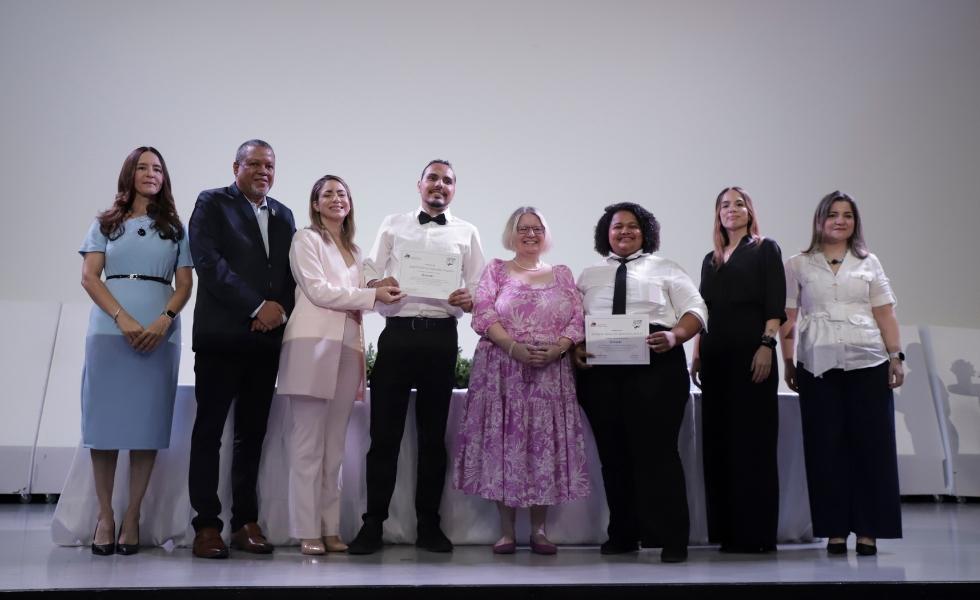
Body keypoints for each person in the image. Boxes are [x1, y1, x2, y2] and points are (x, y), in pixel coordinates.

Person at [348, 159, 486, 554]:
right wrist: (379, 282)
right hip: (397, 336)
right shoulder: (393, 224)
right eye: (433, 178)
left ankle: (429, 524)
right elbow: (369, 270)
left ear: (454, 189)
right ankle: (372, 524)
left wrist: (471, 298)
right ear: (419, 184)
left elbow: (479, 286)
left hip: (441, 338)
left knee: (433, 438)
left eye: (448, 180)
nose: (439, 185)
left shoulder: (467, 231)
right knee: (383, 436)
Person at [276, 175, 404, 555]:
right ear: (315, 204)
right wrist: (372, 294)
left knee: (334, 446)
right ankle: (307, 530)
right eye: (327, 194)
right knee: (307, 445)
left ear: (350, 203)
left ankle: (330, 528)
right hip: (311, 346)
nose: (336, 199)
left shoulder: (355, 249)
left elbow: (368, 296)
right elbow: (318, 291)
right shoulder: (306, 240)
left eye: (342, 193)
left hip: (348, 349)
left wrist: (389, 288)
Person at [453, 207, 589, 555]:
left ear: (546, 234)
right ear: (511, 234)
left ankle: (540, 531)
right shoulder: (496, 270)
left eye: (537, 228)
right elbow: (483, 313)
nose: (530, 234)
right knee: (504, 444)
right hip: (502, 371)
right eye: (523, 228)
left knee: (543, 446)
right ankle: (507, 532)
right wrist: (513, 347)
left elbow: (577, 319)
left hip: (550, 373)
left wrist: (558, 350)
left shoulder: (562, 274)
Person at [575, 202, 706, 563]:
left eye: (632, 226)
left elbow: (696, 310)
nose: (625, 231)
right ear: (606, 233)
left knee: (659, 453)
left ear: (645, 232)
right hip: (602, 372)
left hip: (656, 365)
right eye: (617, 226)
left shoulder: (667, 269)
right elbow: (571, 321)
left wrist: (676, 336)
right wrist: (575, 349)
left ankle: (672, 538)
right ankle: (623, 534)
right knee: (613, 456)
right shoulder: (588, 275)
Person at [79, 146, 193, 556]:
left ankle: (133, 517)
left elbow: (184, 285)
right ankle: (105, 516)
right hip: (109, 334)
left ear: (165, 178)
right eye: (142, 167)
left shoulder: (175, 228)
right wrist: (121, 317)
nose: (151, 174)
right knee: (104, 428)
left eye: (157, 168)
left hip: (161, 336)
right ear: (129, 174)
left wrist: (164, 320)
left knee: (147, 429)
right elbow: (90, 277)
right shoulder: (104, 224)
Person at [187, 139, 296, 559]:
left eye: (269, 165)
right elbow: (209, 263)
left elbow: (290, 272)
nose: (263, 171)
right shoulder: (212, 203)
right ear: (236, 167)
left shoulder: (284, 214)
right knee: (209, 433)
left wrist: (278, 310)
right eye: (254, 163)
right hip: (221, 337)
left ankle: (245, 522)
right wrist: (255, 306)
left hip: (265, 342)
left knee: (252, 436)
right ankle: (206, 525)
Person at [779, 191, 904, 556]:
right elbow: (789, 318)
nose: (840, 221)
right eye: (833, 214)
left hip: (868, 361)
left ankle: (868, 530)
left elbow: (884, 313)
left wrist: (895, 356)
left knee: (872, 447)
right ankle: (834, 529)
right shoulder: (798, 264)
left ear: (855, 222)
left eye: (847, 215)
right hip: (817, 365)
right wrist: (788, 361)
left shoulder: (869, 262)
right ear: (820, 220)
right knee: (825, 448)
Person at [690, 187, 786, 553]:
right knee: (720, 444)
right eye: (725, 205)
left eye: (739, 204)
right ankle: (727, 532)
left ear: (750, 212)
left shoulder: (765, 249)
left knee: (753, 443)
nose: (732, 210)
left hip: (752, 356)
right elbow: (703, 310)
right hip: (716, 359)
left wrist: (767, 345)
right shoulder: (710, 259)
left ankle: (756, 534)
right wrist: (697, 353)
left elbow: (775, 304)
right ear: (718, 214)